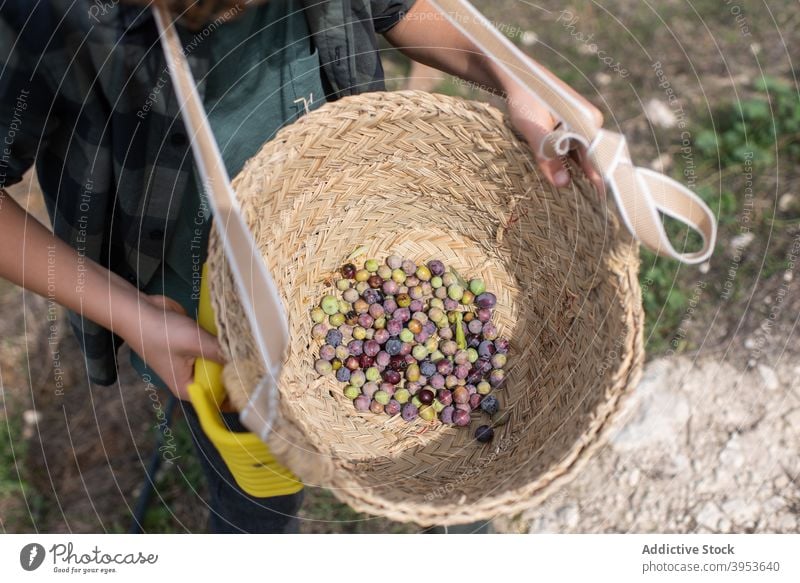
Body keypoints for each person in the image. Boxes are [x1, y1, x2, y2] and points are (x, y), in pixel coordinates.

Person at [0, 0, 603, 532]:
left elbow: (396, 7)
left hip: (348, 238)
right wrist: (131, 316)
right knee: (253, 496)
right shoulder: (48, 14)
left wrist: (512, 70)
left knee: (460, 497)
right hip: (198, 314)